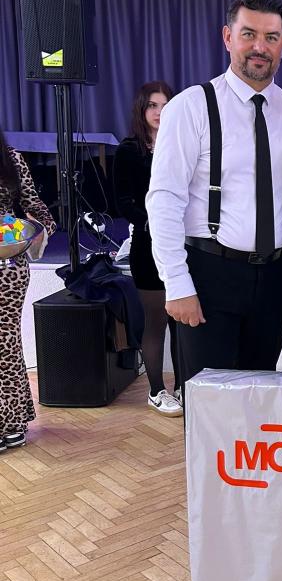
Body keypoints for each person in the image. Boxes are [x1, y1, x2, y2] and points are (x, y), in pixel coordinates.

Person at [146, 0, 282, 388]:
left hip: (275, 276)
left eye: (271, 37)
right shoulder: (190, 106)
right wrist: (176, 283)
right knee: (208, 403)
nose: (259, 46)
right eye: (248, 34)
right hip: (209, 274)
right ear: (227, 37)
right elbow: (164, 200)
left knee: (260, 394)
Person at [113, 81, 182, 416]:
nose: (159, 112)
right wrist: (155, 222)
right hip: (148, 244)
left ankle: (184, 386)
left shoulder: (183, 145)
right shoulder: (129, 150)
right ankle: (157, 390)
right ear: (142, 110)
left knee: (184, 323)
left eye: (165, 105)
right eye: (153, 106)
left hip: (184, 245)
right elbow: (123, 201)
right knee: (156, 321)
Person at [0, 129, 55, 451]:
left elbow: (40, 212)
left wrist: (35, 231)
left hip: (6, 266)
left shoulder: (11, 158)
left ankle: (10, 422)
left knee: (5, 343)